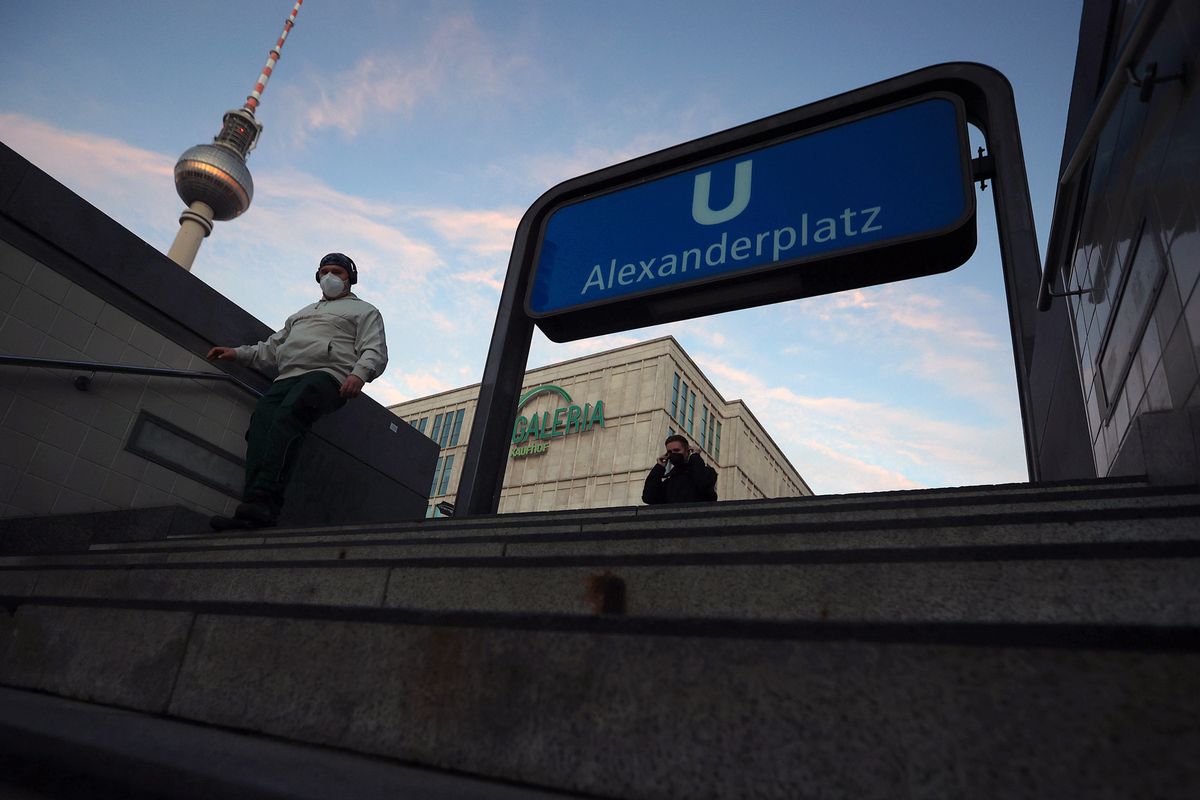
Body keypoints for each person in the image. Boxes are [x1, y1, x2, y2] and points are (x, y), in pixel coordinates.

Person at [206, 252, 387, 529]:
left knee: (290, 414)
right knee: (262, 426)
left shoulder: (365, 311)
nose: (330, 277)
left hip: (328, 376)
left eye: (337, 272)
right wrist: (236, 353)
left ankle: (266, 504)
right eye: (324, 271)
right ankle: (251, 505)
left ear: (350, 278)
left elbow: (374, 349)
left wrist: (358, 374)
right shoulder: (301, 315)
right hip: (287, 378)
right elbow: (270, 348)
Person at [642, 434, 718, 505]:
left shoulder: (708, 472)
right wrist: (659, 467)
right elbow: (648, 497)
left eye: (677, 450)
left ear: (687, 451)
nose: (673, 454)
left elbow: (704, 484)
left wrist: (695, 456)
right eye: (669, 452)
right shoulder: (669, 483)